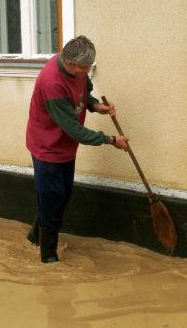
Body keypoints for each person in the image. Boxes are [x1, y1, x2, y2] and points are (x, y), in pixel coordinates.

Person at [24, 35, 127, 263]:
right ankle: (48, 257)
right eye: (83, 68)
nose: (87, 72)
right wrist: (112, 140)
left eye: (89, 67)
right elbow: (76, 131)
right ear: (68, 62)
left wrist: (96, 106)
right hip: (47, 146)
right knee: (52, 199)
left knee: (62, 195)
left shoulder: (78, 70)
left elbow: (84, 96)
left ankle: (35, 235)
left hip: (65, 147)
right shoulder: (52, 83)